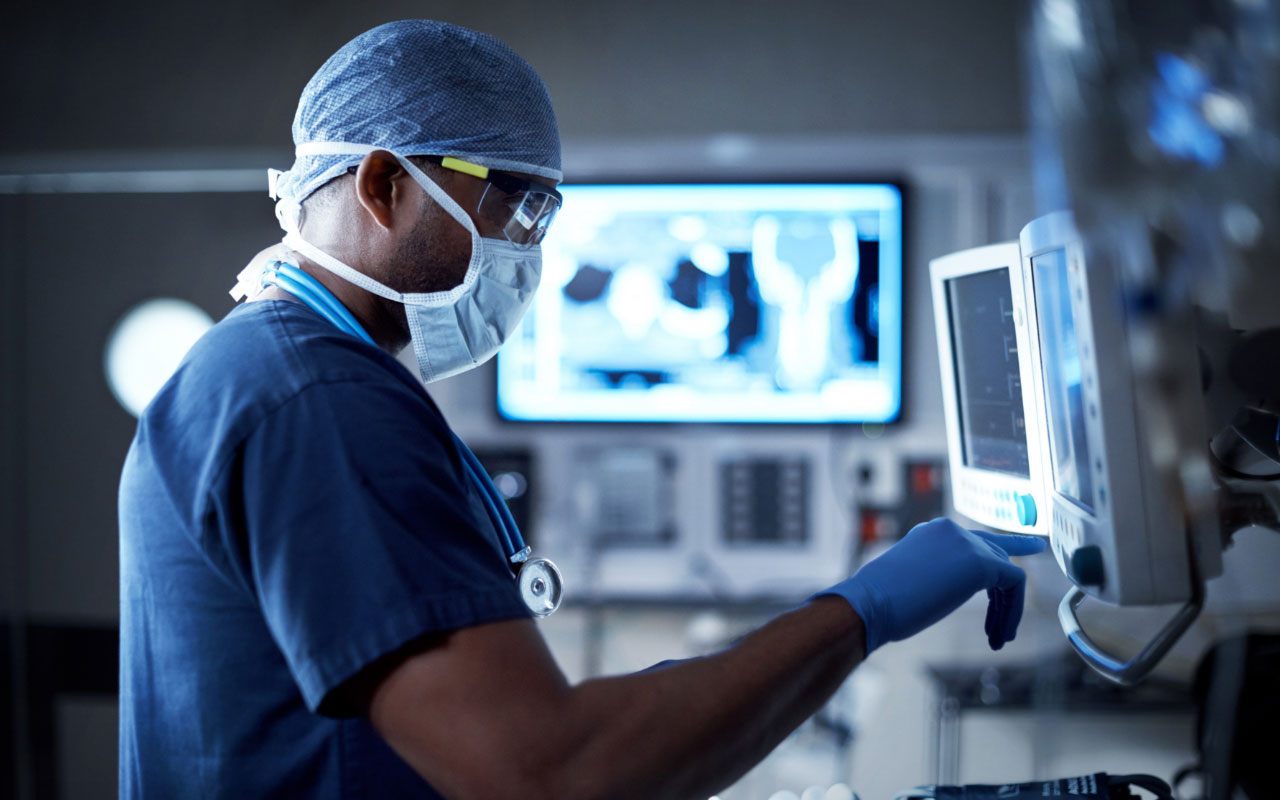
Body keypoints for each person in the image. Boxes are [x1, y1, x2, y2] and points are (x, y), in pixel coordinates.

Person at [118, 19, 1045, 800]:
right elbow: (552, 774)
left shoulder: (263, 370)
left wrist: (798, 636)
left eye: (546, 218)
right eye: (517, 208)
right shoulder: (320, 401)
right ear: (384, 184)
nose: (530, 255)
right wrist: (864, 611)